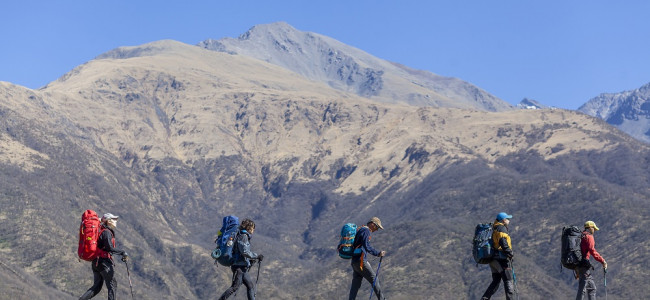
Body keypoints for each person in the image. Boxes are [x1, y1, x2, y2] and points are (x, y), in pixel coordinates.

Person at [79, 213, 129, 300]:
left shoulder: (101, 230)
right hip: (104, 262)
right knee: (112, 284)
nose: (115, 221)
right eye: (113, 219)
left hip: (96, 262)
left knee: (97, 286)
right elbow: (109, 248)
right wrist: (123, 252)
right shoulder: (106, 232)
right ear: (108, 221)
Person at [218, 218, 263, 300]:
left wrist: (250, 259)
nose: (253, 230)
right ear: (249, 228)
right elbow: (244, 251)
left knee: (250, 286)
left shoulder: (243, 236)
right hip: (239, 267)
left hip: (243, 267)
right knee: (235, 287)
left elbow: (243, 252)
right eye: (253, 228)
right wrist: (256, 256)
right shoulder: (243, 236)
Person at [349, 217, 386, 300]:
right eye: (377, 227)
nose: (377, 230)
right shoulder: (366, 231)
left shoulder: (361, 229)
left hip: (355, 262)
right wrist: (378, 253)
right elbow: (367, 246)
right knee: (374, 279)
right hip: (361, 262)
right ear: (373, 224)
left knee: (355, 285)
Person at [481, 212, 515, 300]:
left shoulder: (495, 227)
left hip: (493, 260)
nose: (508, 220)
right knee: (508, 281)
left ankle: (484, 298)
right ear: (503, 220)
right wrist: (510, 253)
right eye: (507, 219)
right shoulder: (501, 228)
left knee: (496, 281)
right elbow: (503, 242)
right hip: (501, 259)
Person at [576, 220, 607, 300]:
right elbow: (592, 251)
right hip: (583, 265)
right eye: (594, 228)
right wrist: (602, 261)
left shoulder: (581, 236)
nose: (594, 231)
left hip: (579, 265)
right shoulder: (589, 237)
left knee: (592, 288)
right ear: (590, 228)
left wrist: (577, 270)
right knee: (582, 288)